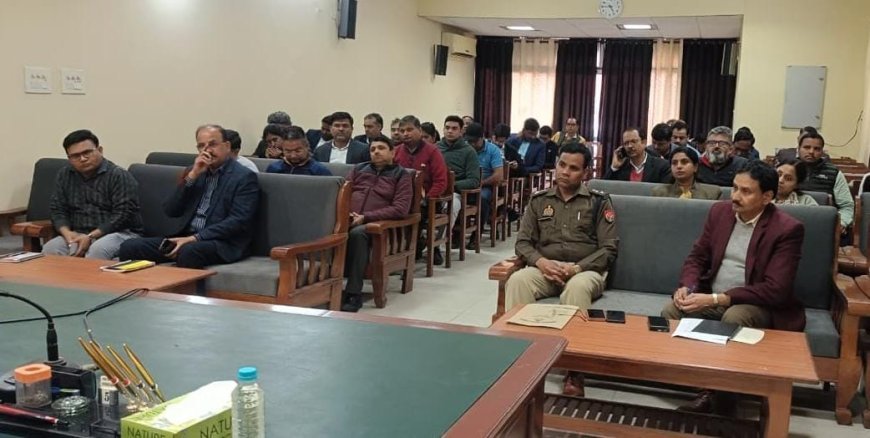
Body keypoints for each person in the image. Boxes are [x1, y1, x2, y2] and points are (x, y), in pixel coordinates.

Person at [661, 160, 806, 414]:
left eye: (746, 191)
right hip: (713, 296)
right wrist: (688, 287)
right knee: (671, 311)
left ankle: (725, 397)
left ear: (767, 197)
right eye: (735, 187)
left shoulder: (787, 229)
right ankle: (700, 385)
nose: (735, 196)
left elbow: (776, 289)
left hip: (758, 304)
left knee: (734, 316)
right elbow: (697, 257)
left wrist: (718, 299)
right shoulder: (720, 212)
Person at [505, 142, 618, 397]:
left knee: (576, 289)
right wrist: (541, 262)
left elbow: (609, 248)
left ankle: (574, 370)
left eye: (574, 168)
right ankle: (521, 362)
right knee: (518, 280)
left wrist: (577, 268)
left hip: (584, 271)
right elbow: (522, 243)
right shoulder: (539, 201)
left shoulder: (598, 202)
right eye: (562, 165)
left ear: (586, 172)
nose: (565, 172)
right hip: (547, 269)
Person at [118, 125, 260, 269]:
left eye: (213, 144)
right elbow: (171, 210)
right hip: (187, 237)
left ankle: (184, 285)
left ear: (227, 146)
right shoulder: (194, 171)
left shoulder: (244, 176)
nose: (208, 150)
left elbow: (238, 221)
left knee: (189, 251)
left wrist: (195, 238)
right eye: (202, 146)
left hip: (222, 242)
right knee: (130, 247)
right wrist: (192, 176)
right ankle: (144, 284)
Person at [44, 129, 143, 260]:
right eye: (75, 156)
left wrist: (90, 236)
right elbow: (57, 209)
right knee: (51, 249)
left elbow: (122, 215)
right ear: (69, 158)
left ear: (100, 150)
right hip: (78, 233)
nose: (83, 159)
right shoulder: (65, 175)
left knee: (97, 250)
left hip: (118, 233)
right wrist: (68, 234)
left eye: (87, 153)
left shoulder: (118, 175)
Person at [342, 135, 413, 312]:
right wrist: (346, 213)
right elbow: (342, 194)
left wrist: (365, 217)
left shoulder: (401, 175)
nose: (376, 152)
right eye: (373, 149)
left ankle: (353, 293)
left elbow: (400, 209)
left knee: (357, 234)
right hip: (348, 219)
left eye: (381, 148)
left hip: (379, 228)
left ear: (392, 152)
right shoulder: (359, 169)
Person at [394, 115, 449, 263]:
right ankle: (396, 251)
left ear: (419, 130)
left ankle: (421, 247)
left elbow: (441, 182)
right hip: (401, 198)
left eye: (409, 130)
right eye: (402, 131)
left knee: (415, 211)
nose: (405, 134)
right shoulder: (396, 151)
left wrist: (426, 199)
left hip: (427, 200)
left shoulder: (432, 151)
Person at [796, 131, 853, 235]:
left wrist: (842, 223)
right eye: (807, 147)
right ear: (798, 149)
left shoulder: (834, 172)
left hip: (823, 225)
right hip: (791, 221)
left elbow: (846, 206)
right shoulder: (789, 169)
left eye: (817, 149)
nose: (811, 151)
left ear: (822, 152)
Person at [437, 115, 482, 247]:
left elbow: (474, 180)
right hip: (434, 190)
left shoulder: (469, 151)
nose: (450, 131)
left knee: (452, 205)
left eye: (454, 128)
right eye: (447, 128)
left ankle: (436, 245)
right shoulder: (435, 148)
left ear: (461, 131)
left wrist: (451, 185)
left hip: (455, 192)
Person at [466, 122, 504, 233]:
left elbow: (498, 175)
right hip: (467, 184)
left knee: (482, 198)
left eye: (475, 141)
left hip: (486, 185)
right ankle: (457, 233)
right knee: (455, 198)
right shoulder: (465, 148)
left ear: (482, 137)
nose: (472, 144)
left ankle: (477, 232)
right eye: (470, 141)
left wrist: (482, 182)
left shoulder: (493, 150)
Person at [652, 147, 722, 200]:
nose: (679, 166)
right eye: (674, 163)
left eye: (684, 162)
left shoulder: (712, 193)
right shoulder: (659, 192)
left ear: (695, 167)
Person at [605, 127, 671, 183]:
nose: (629, 146)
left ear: (644, 142)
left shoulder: (661, 166)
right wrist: (614, 167)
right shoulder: (621, 166)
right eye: (626, 143)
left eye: (633, 141)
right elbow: (604, 188)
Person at [265, 126, 332, 176]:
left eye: (298, 151)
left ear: (307, 147)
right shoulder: (274, 169)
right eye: (288, 151)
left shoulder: (320, 171)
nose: (293, 156)